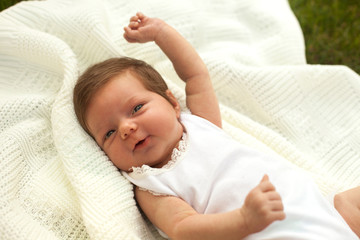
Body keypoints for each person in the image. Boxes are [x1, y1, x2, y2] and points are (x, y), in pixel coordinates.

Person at [73, 12, 359, 239]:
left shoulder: (200, 123)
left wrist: (160, 32)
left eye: (136, 108)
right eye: (109, 133)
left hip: (321, 208)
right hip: (267, 232)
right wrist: (245, 220)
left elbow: (195, 73)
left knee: (351, 202)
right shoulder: (151, 185)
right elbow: (183, 229)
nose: (126, 128)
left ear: (173, 103)